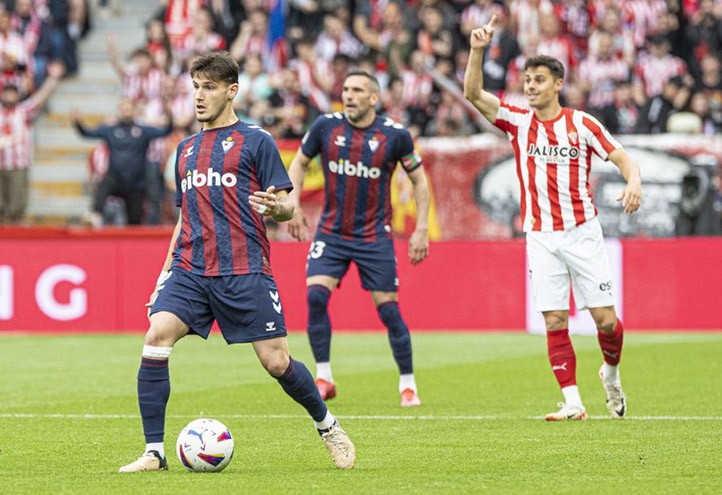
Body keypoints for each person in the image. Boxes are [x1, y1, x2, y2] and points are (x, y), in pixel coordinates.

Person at [118, 51, 355, 473]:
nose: (199, 96)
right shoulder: (185, 150)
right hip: (191, 269)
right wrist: (164, 271)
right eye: (195, 87)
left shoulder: (256, 141)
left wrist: (275, 210)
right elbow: (183, 216)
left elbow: (285, 206)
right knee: (156, 337)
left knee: (276, 361)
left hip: (244, 270)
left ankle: (327, 425)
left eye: (208, 87)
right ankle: (154, 452)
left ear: (232, 91)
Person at [463, 16, 642, 421]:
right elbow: (473, 93)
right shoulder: (517, 122)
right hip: (540, 236)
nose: (530, 86)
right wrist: (477, 50)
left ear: (557, 84)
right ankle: (573, 401)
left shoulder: (582, 124)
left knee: (606, 321)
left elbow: (622, 157)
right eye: (527, 80)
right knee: (555, 318)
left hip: (582, 233)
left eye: (539, 80)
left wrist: (633, 182)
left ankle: (610, 373)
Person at [286, 71, 430, 407]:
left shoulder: (395, 135)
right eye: (346, 89)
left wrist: (420, 228)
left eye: (357, 90)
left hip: (374, 237)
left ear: (373, 99)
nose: (348, 95)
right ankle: (324, 377)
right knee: (316, 296)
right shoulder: (325, 126)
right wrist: (291, 204)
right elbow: (300, 163)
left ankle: (407, 384)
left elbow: (420, 181)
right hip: (332, 232)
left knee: (389, 312)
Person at [72, 98, 173, 226]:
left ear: (134, 111)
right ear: (119, 111)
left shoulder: (143, 130)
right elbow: (86, 133)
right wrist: (78, 123)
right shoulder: (110, 130)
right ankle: (95, 216)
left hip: (136, 183)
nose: (126, 112)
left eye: (129, 109)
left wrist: (170, 116)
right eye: (124, 109)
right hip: (116, 179)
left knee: (134, 222)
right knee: (104, 185)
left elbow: (166, 131)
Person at [0, 61, 64, 224]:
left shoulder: (23, 111)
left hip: (18, 164)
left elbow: (41, 97)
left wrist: (53, 79)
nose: (9, 97)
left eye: (12, 94)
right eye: (6, 94)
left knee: (17, 205)